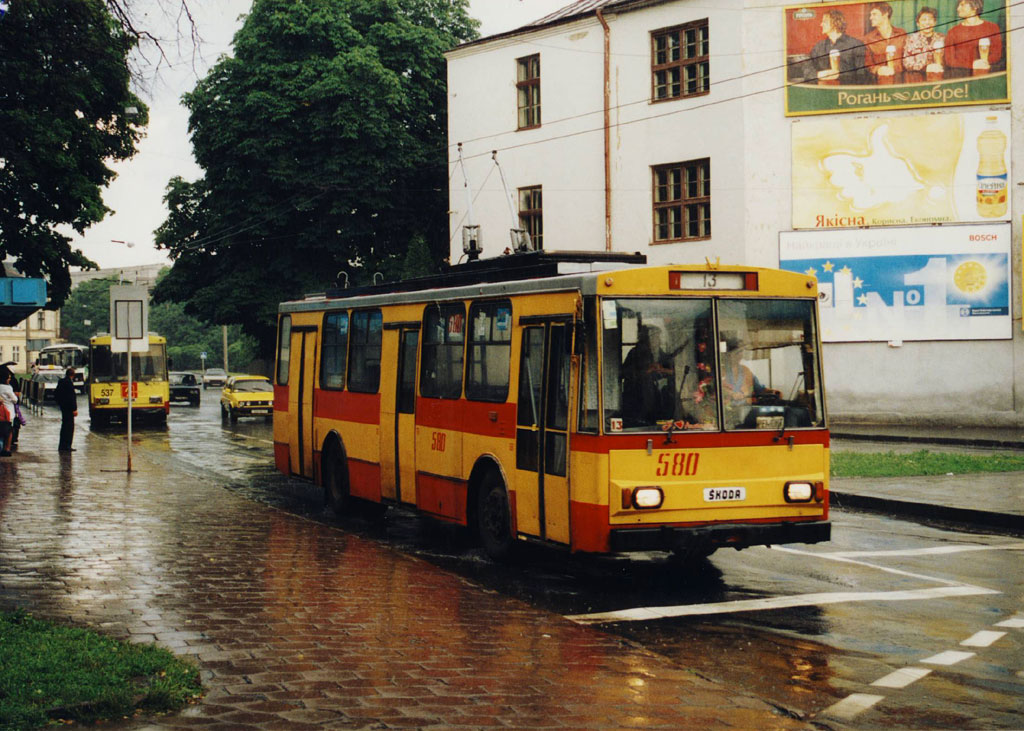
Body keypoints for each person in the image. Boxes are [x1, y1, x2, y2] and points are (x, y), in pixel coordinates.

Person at [622, 326, 675, 424]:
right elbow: (625, 374)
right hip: (637, 399)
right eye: (654, 337)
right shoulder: (634, 353)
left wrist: (662, 370)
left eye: (658, 337)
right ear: (646, 339)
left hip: (657, 399)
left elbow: (673, 371)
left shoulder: (660, 353)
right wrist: (648, 370)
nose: (658, 340)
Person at [944, 0, 1003, 78]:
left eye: (962, 5)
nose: (958, 8)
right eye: (958, 5)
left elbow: (997, 55)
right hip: (961, 78)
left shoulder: (992, 28)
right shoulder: (953, 31)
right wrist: (973, 64)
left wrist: (983, 63)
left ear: (975, 6)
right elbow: (949, 60)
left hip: (986, 76)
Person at [810, 9, 866, 85]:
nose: (821, 24)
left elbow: (862, 75)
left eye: (824, 21)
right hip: (823, 93)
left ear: (835, 23)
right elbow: (806, 67)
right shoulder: (819, 46)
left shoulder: (856, 45)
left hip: (846, 94)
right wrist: (818, 75)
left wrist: (840, 75)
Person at [863, 3, 907, 83]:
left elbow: (908, 59)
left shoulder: (901, 33)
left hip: (901, 81)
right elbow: (867, 64)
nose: (870, 18)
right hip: (880, 82)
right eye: (870, 15)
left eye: (874, 14)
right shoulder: (867, 39)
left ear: (885, 14)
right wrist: (878, 69)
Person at [902, 7, 944, 83]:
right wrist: (925, 67)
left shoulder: (942, 38)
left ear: (935, 22)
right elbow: (907, 63)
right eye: (924, 20)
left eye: (930, 19)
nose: (927, 23)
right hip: (917, 80)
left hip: (939, 78)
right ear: (918, 23)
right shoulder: (911, 39)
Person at [55, 366, 79, 452]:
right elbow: (72, 397)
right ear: (72, 375)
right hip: (69, 408)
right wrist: (74, 409)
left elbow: (56, 394)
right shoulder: (69, 383)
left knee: (64, 426)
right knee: (69, 427)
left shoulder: (61, 382)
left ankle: (62, 445)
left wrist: (60, 403)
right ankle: (68, 445)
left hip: (63, 407)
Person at [0, 368, 17, 457]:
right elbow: (15, 400)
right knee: (9, 431)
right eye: (8, 378)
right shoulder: (8, 388)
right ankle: (7, 448)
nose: (9, 379)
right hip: (8, 412)